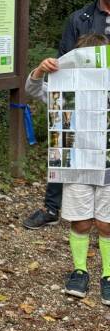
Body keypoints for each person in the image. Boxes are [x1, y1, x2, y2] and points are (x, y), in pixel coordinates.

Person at [23, 0, 110, 229]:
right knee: (64, 141)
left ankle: (102, 215)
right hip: (78, 96)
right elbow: (64, 63)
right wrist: (47, 73)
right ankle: (52, 208)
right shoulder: (80, 19)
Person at [26, 33, 110, 304]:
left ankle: (108, 274)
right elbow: (34, 89)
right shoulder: (66, 91)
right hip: (76, 167)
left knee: (107, 223)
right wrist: (40, 70)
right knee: (82, 221)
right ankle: (80, 270)